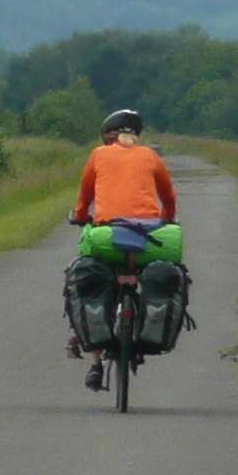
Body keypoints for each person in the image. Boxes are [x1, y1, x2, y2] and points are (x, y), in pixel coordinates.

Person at [67, 107, 176, 389]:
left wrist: (80, 216)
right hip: (148, 238)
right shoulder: (151, 157)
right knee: (150, 276)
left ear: (109, 137)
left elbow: (85, 196)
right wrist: (166, 219)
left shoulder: (99, 155)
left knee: (91, 280)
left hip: (108, 235)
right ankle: (146, 328)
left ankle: (95, 362)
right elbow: (168, 197)